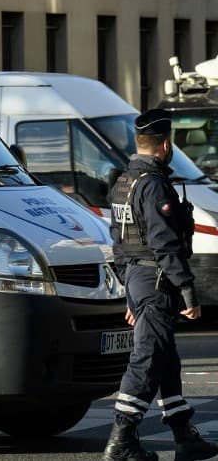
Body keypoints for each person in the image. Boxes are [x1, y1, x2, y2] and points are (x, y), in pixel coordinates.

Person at [103, 108, 218, 461]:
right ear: (165, 145)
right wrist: (188, 291)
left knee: (166, 359)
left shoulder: (124, 182)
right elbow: (164, 243)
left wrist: (129, 297)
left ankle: (184, 434)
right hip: (157, 281)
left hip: (139, 281)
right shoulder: (153, 184)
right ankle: (121, 441)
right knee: (147, 358)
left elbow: (119, 244)